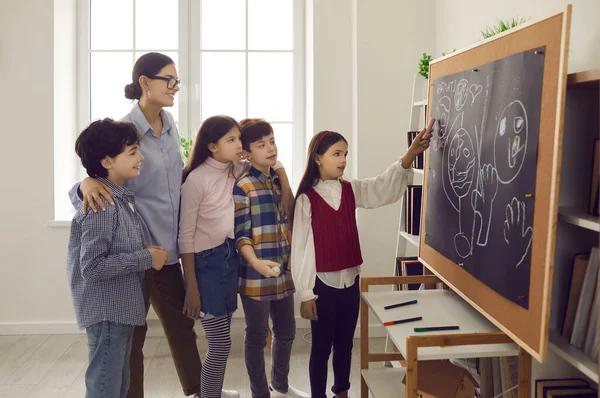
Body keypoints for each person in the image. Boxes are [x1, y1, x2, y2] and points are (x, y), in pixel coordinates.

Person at [69, 52, 202, 398]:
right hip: (135, 252)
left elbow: (177, 182)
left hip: (167, 249)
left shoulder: (171, 127)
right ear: (145, 82)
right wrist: (82, 184)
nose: (175, 87)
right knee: (129, 338)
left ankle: (201, 390)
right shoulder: (124, 133)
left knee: (182, 327)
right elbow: (100, 184)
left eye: (178, 81)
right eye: (168, 80)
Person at [291, 121, 434, 398]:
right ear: (317, 158)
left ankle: (342, 392)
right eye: (336, 153)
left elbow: (383, 187)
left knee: (345, 345)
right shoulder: (306, 200)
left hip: (350, 282)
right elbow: (301, 250)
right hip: (322, 286)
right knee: (321, 346)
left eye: (345, 153)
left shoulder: (350, 189)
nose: (343, 159)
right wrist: (306, 294)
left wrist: (410, 155)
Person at [178, 116, 294, 398]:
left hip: (230, 258)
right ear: (212, 147)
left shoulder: (235, 168)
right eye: (231, 140)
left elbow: (271, 162)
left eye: (238, 140)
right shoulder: (196, 179)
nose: (239, 145)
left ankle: (214, 392)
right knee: (219, 343)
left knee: (224, 341)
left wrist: (283, 175)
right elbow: (185, 236)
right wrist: (191, 286)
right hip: (206, 263)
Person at [67, 118, 169, 398]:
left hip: (120, 311)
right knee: (105, 388)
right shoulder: (102, 205)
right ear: (108, 161)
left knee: (119, 386)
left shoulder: (119, 199)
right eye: (133, 151)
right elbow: (92, 267)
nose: (141, 157)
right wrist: (145, 258)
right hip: (108, 312)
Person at [232, 118, 309, 398]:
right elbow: (241, 235)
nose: (270, 148)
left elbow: (290, 220)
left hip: (283, 271)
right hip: (255, 276)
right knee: (255, 336)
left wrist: (283, 175)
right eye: (261, 144)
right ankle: (260, 393)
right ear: (246, 153)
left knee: (287, 331)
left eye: (272, 141)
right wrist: (256, 263)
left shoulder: (278, 182)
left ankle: (281, 386)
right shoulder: (243, 186)